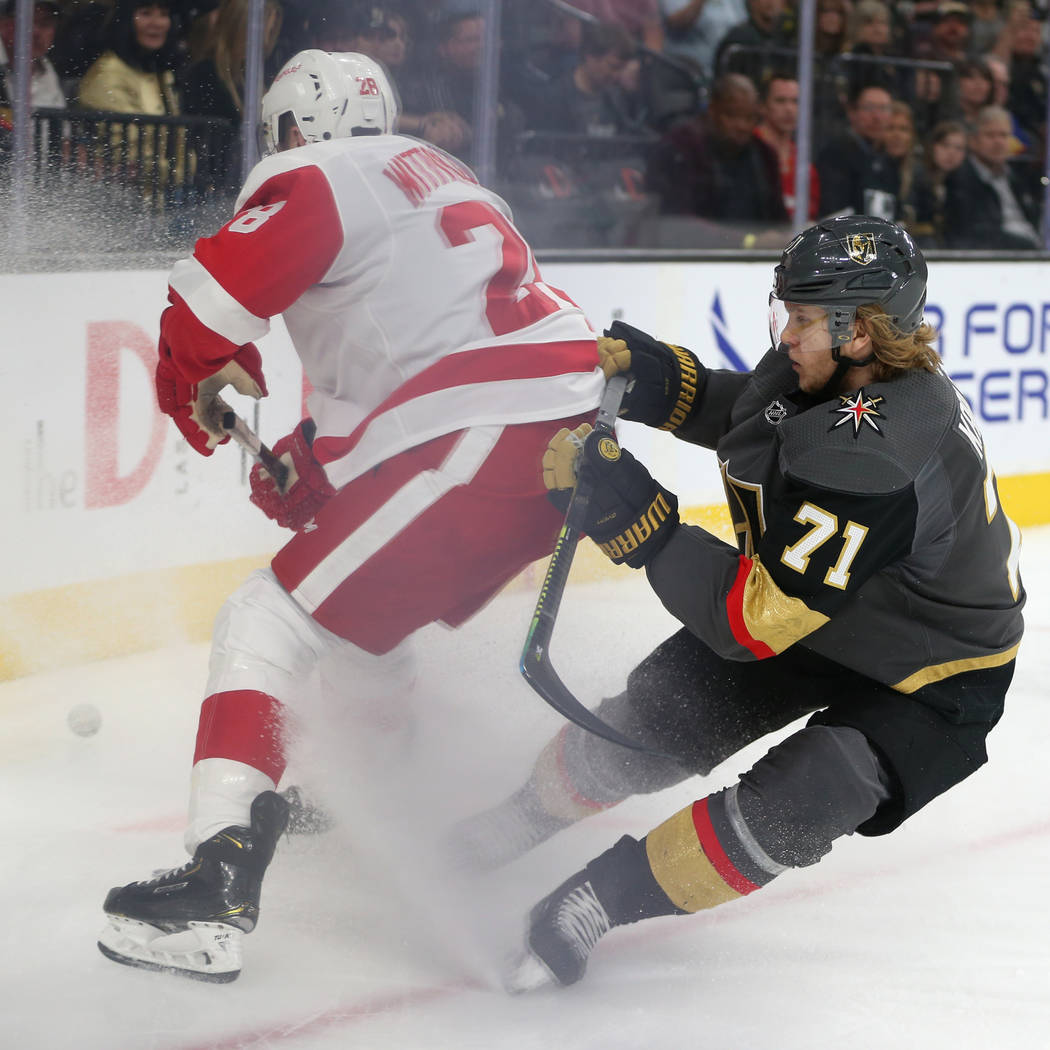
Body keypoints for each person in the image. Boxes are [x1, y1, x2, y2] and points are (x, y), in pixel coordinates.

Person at [96, 48, 605, 983]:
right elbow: (399, 363)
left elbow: (202, 303)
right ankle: (380, 809)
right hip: (557, 445)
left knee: (267, 618)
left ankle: (212, 890)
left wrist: (190, 379)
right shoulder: (435, 175)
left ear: (296, 125)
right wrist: (306, 463)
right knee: (366, 621)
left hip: (483, 430)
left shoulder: (316, 172)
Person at [449, 215, 1025, 989]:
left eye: (803, 318)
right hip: (832, 606)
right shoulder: (836, 372)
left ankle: (602, 898)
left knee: (811, 794)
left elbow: (748, 624)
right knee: (658, 717)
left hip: (932, 675)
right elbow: (765, 418)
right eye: (785, 311)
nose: (786, 333)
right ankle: (513, 821)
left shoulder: (880, 457)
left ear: (861, 333)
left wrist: (641, 526)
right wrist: (671, 385)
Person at [647, 71, 787, 225]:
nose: (742, 126)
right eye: (732, 115)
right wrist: (748, 241)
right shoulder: (681, 148)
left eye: (749, 118)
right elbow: (677, 223)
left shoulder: (765, 155)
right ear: (712, 111)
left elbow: (779, 221)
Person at [943, 103, 1042, 248]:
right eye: (990, 135)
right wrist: (1028, 245)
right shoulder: (960, 179)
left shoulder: (1017, 176)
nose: (998, 142)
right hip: (998, 257)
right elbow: (976, 234)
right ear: (973, 141)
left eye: (1003, 135)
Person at [816, 81, 899, 218]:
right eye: (869, 108)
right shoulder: (836, 155)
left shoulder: (888, 160)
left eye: (884, 109)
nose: (877, 117)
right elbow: (834, 213)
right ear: (852, 112)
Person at [753, 72, 819, 222]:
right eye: (780, 101)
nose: (789, 109)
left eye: (796, 102)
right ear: (763, 106)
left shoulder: (805, 166)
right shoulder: (748, 151)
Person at [0, 0, 66, 110]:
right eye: (27, 22)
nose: (36, 32)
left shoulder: (47, 69)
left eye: (45, 24)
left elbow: (60, 126)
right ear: (3, 24)